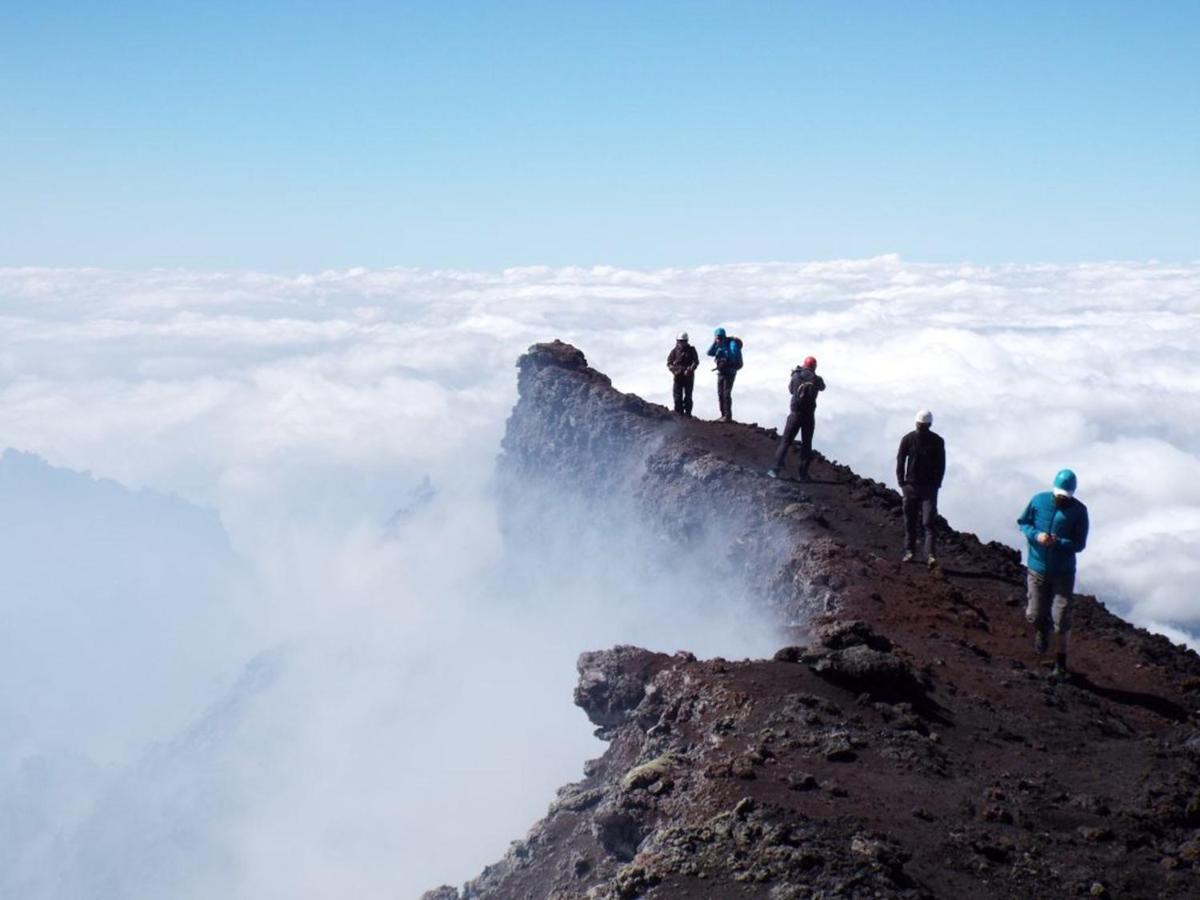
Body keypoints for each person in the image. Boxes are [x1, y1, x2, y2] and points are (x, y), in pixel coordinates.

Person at [1017, 469, 1089, 678]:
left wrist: (1058, 542)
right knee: (1035, 614)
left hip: (1063, 574)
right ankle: (1041, 630)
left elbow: (1079, 544)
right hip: (1037, 569)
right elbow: (1024, 523)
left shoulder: (1079, 511)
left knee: (1062, 619)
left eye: (1065, 495)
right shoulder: (1038, 501)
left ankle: (1061, 663)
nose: (1060, 498)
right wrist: (1036, 535)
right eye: (1059, 493)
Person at [895, 409, 946, 568]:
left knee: (920, 522)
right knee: (924, 522)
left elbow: (900, 461)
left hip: (918, 487)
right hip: (922, 487)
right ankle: (924, 554)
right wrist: (902, 482)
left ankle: (918, 554)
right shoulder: (933, 440)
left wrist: (902, 482)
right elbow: (941, 464)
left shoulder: (910, 439)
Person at [766, 357, 825, 481]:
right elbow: (823, 387)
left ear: (804, 364)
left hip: (795, 414)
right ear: (814, 366)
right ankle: (803, 474)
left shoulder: (796, 376)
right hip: (809, 416)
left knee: (786, 441)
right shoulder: (816, 379)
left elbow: (791, 390)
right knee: (806, 444)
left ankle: (774, 470)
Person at [706, 328, 743, 421]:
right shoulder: (718, 344)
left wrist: (723, 355)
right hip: (721, 371)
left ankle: (727, 416)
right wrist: (714, 343)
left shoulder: (731, 344)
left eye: (721, 337)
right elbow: (709, 353)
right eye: (717, 338)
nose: (719, 339)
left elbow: (733, 355)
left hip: (730, 371)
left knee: (726, 393)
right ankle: (723, 415)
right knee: (720, 393)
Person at [666, 332, 699, 416]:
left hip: (688, 376)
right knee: (677, 396)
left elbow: (696, 362)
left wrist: (690, 369)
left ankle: (688, 414)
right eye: (680, 341)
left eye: (683, 341)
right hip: (678, 376)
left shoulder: (691, 350)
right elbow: (669, 362)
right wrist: (674, 370)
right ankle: (679, 413)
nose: (681, 343)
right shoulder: (675, 351)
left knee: (688, 396)